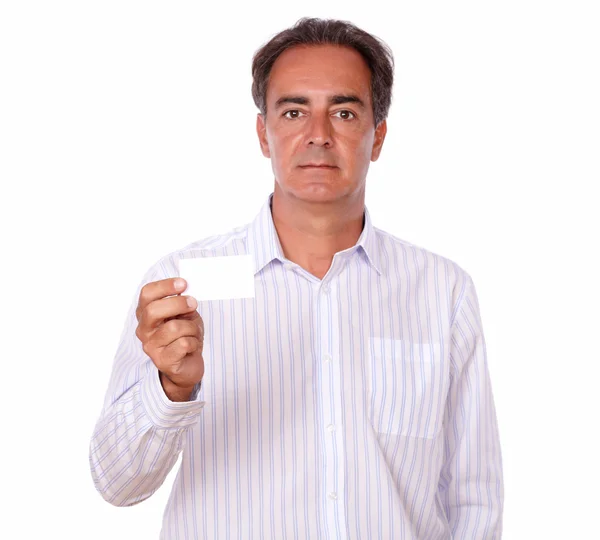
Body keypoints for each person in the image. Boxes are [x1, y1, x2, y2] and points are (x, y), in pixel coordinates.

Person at [89, 17, 504, 540]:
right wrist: (173, 387)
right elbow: (116, 483)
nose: (318, 135)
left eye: (344, 112)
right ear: (264, 133)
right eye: (293, 111)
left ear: (377, 137)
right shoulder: (181, 288)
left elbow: (474, 499)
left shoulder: (442, 293)